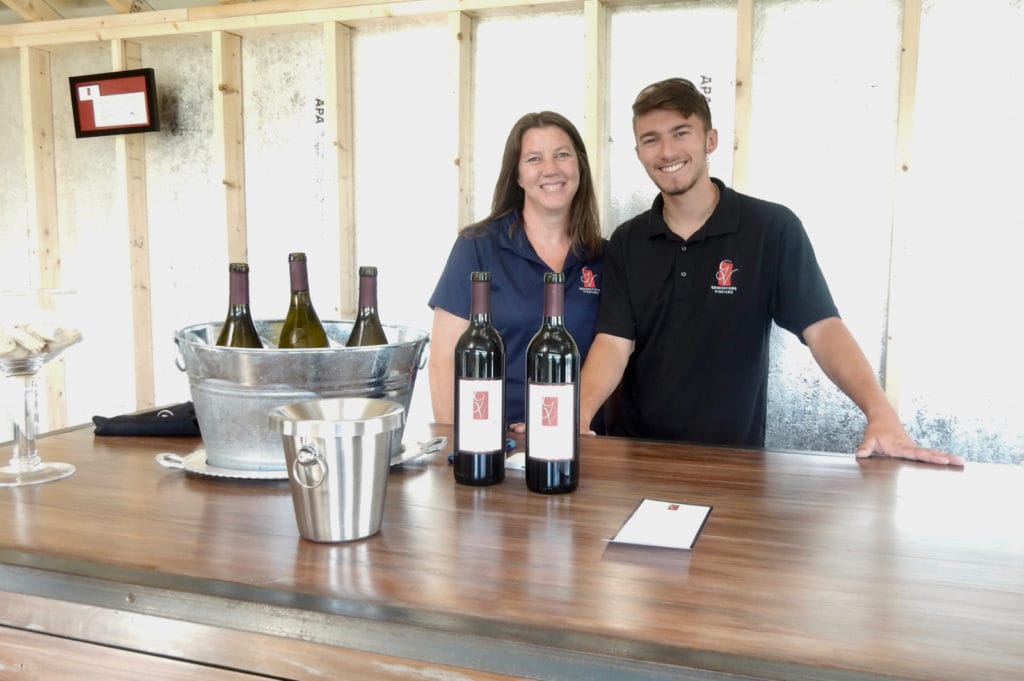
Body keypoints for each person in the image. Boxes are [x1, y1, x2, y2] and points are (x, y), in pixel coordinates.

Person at [579, 77, 963, 466]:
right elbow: (614, 342)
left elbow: (823, 328)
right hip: (639, 456)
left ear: (709, 140)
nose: (667, 151)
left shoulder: (771, 229)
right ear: (639, 152)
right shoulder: (628, 241)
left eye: (681, 133)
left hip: (737, 463)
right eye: (651, 139)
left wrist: (880, 413)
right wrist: (577, 415)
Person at [429, 111, 604, 431]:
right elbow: (443, 362)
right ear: (517, 176)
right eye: (534, 158)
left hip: (579, 440)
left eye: (562, 155)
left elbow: (613, 351)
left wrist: (577, 420)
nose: (550, 169)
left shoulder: (603, 256)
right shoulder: (477, 247)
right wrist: (455, 446)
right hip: (493, 441)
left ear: (579, 165)